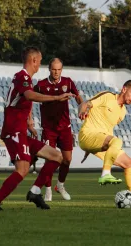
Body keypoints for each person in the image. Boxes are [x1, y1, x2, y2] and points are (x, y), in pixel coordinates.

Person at [0, 47, 74, 211]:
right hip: (14, 132)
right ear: (33, 60)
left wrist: (29, 123)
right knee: (23, 169)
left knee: (57, 156)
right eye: (40, 61)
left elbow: (22, 101)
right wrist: (56, 97)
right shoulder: (22, 77)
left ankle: (34, 191)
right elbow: (28, 95)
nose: (40, 65)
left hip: (21, 131)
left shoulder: (24, 79)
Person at [78, 80, 131, 208]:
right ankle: (105, 174)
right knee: (116, 141)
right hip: (87, 135)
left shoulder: (122, 113)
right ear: (124, 89)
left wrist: (91, 148)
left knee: (130, 164)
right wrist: (81, 111)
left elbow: (107, 130)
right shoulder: (107, 96)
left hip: (100, 140)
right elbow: (85, 104)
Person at [34, 58, 83, 201]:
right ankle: (48, 190)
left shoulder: (67, 82)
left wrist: (82, 106)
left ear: (62, 69)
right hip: (49, 129)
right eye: (54, 69)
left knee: (67, 160)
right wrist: (29, 118)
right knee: (50, 160)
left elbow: (78, 98)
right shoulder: (42, 85)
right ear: (49, 69)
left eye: (59, 69)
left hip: (65, 128)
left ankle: (60, 185)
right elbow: (29, 98)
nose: (56, 72)